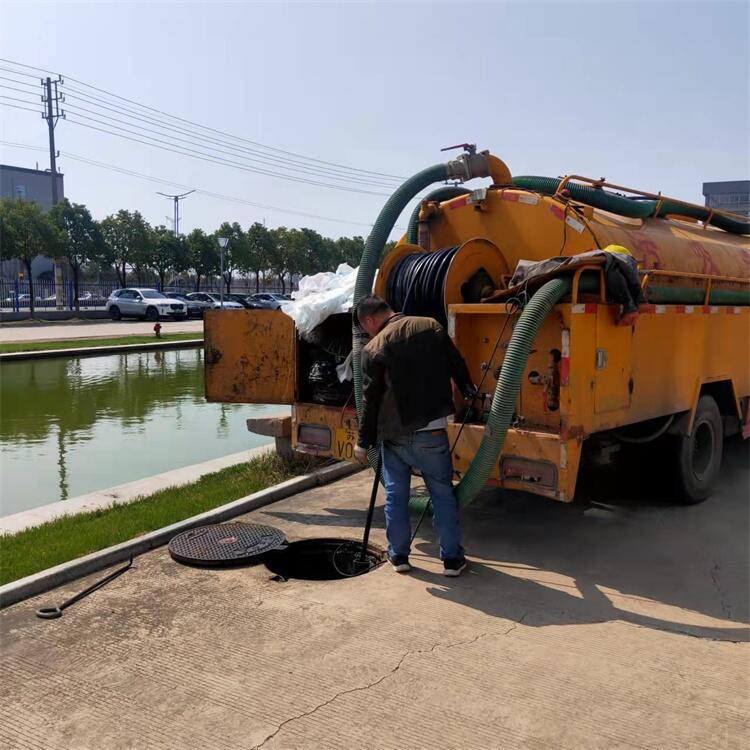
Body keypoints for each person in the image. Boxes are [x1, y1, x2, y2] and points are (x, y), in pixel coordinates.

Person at [353, 295, 476, 577]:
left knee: (396, 496)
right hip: (432, 430)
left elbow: (370, 401)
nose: (367, 333)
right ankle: (452, 561)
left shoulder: (372, 349)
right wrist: (468, 390)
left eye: (365, 327)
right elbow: (456, 361)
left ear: (371, 320)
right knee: (442, 494)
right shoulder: (430, 326)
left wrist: (363, 441)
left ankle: (399, 557)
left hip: (394, 436)